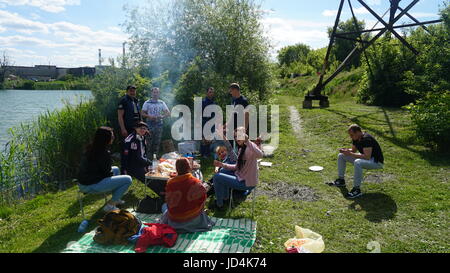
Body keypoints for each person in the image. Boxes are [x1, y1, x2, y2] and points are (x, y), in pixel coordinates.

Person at [77, 127, 132, 212]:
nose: (113, 138)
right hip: (90, 185)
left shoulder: (92, 148)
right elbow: (107, 173)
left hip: (84, 182)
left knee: (116, 169)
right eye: (112, 136)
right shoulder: (103, 153)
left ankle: (116, 198)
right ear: (106, 139)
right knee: (128, 179)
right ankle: (110, 205)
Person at [211, 127, 263, 210]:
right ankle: (225, 199)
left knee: (217, 177)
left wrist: (248, 141)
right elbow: (236, 167)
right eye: (235, 136)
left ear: (245, 136)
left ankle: (219, 204)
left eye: (239, 136)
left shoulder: (250, 148)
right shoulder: (241, 150)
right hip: (240, 177)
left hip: (246, 183)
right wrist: (221, 164)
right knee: (221, 172)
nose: (237, 138)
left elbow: (260, 155)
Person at [160, 158, 215, 233]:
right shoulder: (195, 182)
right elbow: (203, 199)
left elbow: (169, 201)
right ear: (189, 168)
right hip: (193, 220)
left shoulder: (170, 183)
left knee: (164, 206)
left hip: (175, 221)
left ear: (176, 169)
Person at [330, 124, 384, 198]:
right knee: (341, 156)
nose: (351, 137)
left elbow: (367, 157)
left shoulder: (366, 139)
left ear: (358, 132)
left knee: (358, 162)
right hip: (367, 158)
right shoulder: (356, 138)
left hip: (376, 162)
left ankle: (356, 189)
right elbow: (353, 150)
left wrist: (351, 154)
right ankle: (341, 180)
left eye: (352, 135)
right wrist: (345, 151)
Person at [141, 87, 171, 161]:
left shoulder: (161, 102)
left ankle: (155, 159)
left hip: (159, 124)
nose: (155, 94)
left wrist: (162, 116)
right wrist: (149, 116)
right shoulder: (147, 102)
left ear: (159, 94)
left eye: (157, 92)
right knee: (148, 143)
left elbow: (168, 113)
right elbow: (142, 113)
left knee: (157, 143)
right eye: (154, 92)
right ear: (151, 93)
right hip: (149, 124)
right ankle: (147, 160)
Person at [200, 87, 216, 158]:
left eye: (212, 92)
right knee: (204, 138)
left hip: (212, 123)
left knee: (210, 138)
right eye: (210, 92)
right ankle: (203, 153)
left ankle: (207, 153)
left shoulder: (214, 102)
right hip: (204, 122)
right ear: (207, 93)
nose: (211, 93)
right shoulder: (203, 102)